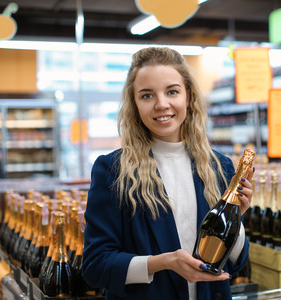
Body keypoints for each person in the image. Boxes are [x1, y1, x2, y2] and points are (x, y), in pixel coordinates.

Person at [82, 47, 254, 300]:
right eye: (147, 95)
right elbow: (96, 266)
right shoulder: (113, 171)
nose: (162, 104)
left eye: (172, 91)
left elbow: (236, 264)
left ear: (189, 97)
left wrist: (235, 218)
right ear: (135, 104)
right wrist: (163, 262)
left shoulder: (221, 167)